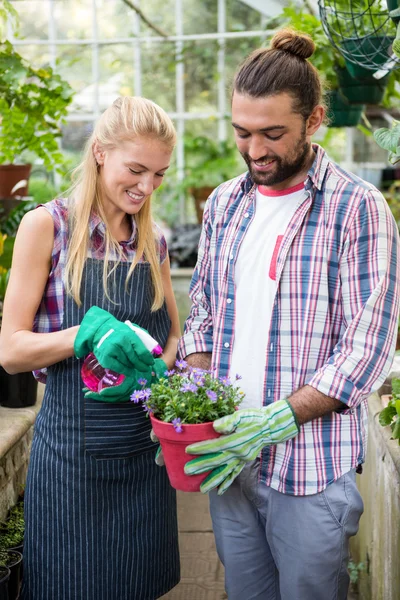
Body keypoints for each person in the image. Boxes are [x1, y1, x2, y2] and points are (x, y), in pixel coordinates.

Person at [177, 29, 400, 600]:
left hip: (308, 467)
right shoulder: (226, 203)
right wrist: (196, 399)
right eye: (242, 132)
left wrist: (278, 419)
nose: (255, 150)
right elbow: (203, 308)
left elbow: (367, 345)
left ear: (315, 118)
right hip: (229, 458)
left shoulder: (357, 208)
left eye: (273, 133)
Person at [0, 96, 181, 599]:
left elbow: (172, 334)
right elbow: (11, 350)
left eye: (160, 175)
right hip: (73, 466)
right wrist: (82, 335)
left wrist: (153, 370)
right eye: (136, 169)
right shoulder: (48, 227)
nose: (146, 188)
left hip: (144, 458)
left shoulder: (154, 242)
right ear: (100, 152)